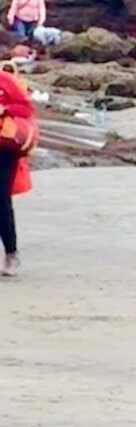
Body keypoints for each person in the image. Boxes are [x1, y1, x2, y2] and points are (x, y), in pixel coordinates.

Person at [0, 70, 37, 277]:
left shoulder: (5, 80)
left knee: (1, 201)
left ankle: (11, 252)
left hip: (3, 148)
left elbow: (25, 108)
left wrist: (4, 108)